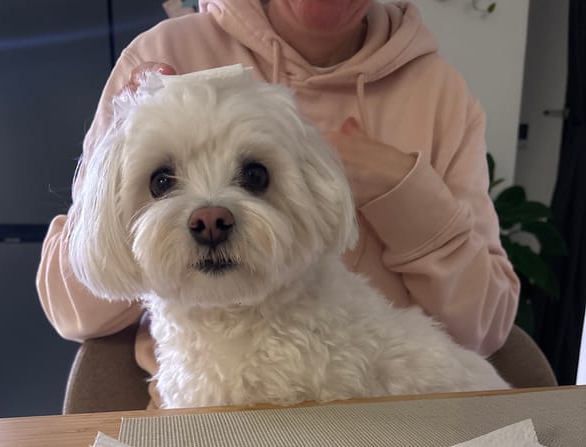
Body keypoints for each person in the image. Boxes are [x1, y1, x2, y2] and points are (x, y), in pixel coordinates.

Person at [37, 0, 520, 409]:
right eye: (165, 181)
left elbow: (486, 328)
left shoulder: (441, 93)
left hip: (395, 423)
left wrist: (405, 190)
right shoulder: (160, 54)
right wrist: (123, 137)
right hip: (201, 419)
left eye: (254, 177)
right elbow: (78, 302)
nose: (210, 219)